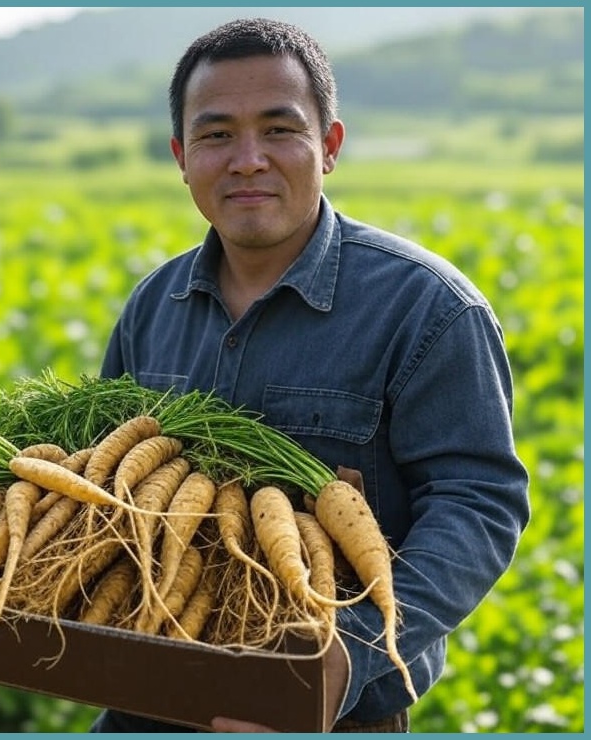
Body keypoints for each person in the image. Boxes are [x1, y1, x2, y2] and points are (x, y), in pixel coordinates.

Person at [91, 17, 530, 733]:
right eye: (216, 134)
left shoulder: (427, 308)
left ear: (329, 147)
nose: (248, 159)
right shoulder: (153, 307)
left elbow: (478, 505)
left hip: (332, 711)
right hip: (154, 691)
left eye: (279, 129)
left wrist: (343, 661)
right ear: (181, 155)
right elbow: (105, 490)